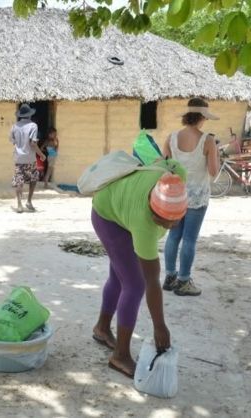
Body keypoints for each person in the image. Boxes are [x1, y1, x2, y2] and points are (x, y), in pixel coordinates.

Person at [90, 158, 187, 378]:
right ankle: (120, 355)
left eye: (173, 222)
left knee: (119, 275)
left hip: (119, 204)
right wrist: (159, 326)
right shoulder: (144, 223)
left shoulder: (175, 178)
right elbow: (151, 280)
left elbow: (163, 160)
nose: (166, 226)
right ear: (152, 207)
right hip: (107, 216)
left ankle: (102, 328)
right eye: (160, 220)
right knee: (134, 284)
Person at [161, 98, 221, 297]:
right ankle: (184, 280)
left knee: (174, 236)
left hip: (175, 196)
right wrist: (217, 154)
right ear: (203, 117)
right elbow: (213, 171)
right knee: (189, 240)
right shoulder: (208, 140)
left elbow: (165, 166)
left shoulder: (171, 138)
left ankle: (170, 277)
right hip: (197, 197)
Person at [10, 103, 46, 213]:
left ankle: (19, 205)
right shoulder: (33, 126)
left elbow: (12, 141)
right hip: (30, 158)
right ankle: (29, 201)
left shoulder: (14, 126)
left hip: (18, 158)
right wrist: (41, 155)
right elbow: (33, 144)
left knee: (19, 180)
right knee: (33, 179)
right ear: (30, 115)